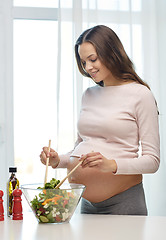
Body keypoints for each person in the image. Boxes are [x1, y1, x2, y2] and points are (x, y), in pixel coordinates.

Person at [40, 25, 160, 215]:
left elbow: (152, 161)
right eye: (83, 62)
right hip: (86, 205)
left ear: (112, 53)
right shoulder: (88, 94)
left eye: (92, 59)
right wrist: (57, 161)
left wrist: (111, 165)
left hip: (123, 203)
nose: (88, 68)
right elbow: (82, 148)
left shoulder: (140, 94)